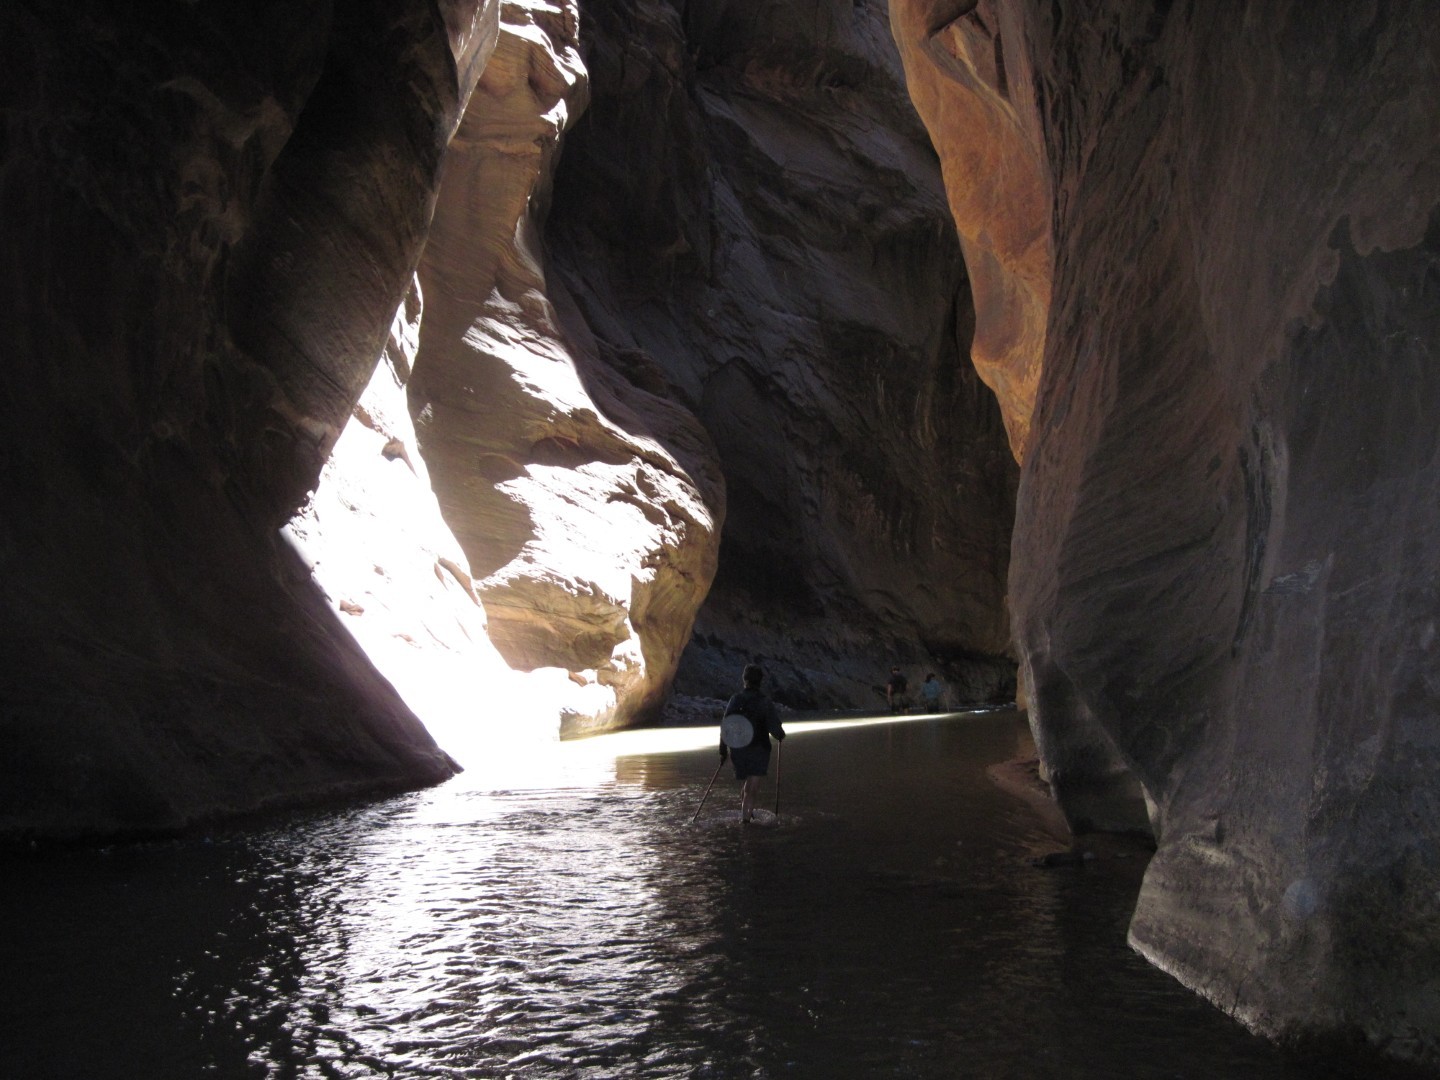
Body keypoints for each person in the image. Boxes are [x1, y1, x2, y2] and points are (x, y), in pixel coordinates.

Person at [718, 663, 786, 823]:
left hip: (738, 749)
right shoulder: (764, 701)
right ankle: (746, 823)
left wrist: (722, 750)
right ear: (760, 682)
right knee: (752, 789)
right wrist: (780, 735)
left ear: (744, 680)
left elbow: (725, 723)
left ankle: (747, 812)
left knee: (747, 786)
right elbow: (775, 728)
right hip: (759, 748)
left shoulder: (735, 699)